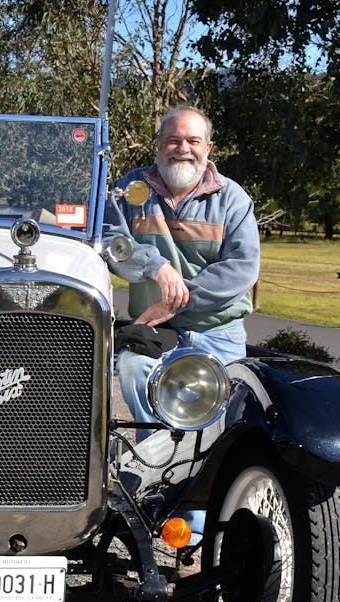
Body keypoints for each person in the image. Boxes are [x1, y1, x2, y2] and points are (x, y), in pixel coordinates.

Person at [104, 105, 260, 443]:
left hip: (217, 331)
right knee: (132, 369)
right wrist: (156, 266)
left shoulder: (233, 199)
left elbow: (241, 268)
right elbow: (109, 239)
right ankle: (155, 467)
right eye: (173, 140)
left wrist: (176, 300)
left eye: (192, 140)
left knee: (217, 434)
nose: (183, 149)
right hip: (156, 332)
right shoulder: (131, 188)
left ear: (208, 148)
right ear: (158, 144)